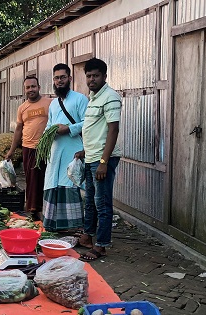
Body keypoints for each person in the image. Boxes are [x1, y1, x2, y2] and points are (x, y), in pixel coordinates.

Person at [76, 58, 121, 261]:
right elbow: (96, 128)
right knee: (90, 202)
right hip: (92, 157)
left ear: (104, 76)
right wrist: (85, 151)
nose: (91, 79)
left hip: (103, 159)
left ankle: (101, 246)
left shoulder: (110, 97)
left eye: (95, 76)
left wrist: (103, 161)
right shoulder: (94, 97)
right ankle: (88, 236)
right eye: (88, 76)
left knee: (102, 203)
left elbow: (113, 129)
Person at [42, 63, 89, 232]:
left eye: (63, 77)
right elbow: (49, 125)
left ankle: (73, 228)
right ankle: (53, 225)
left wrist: (68, 128)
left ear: (69, 78)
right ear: (53, 80)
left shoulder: (80, 99)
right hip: (55, 152)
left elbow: (88, 123)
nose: (59, 81)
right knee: (53, 184)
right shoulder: (54, 104)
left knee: (68, 184)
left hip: (72, 150)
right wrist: (51, 132)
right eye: (56, 78)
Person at [6, 76, 52, 221]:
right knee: (32, 180)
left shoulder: (50, 103)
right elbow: (18, 130)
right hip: (29, 147)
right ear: (24, 90)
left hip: (46, 148)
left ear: (39, 87)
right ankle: (33, 209)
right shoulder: (22, 108)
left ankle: (47, 209)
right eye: (28, 87)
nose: (31, 89)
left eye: (33, 86)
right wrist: (11, 150)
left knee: (46, 179)